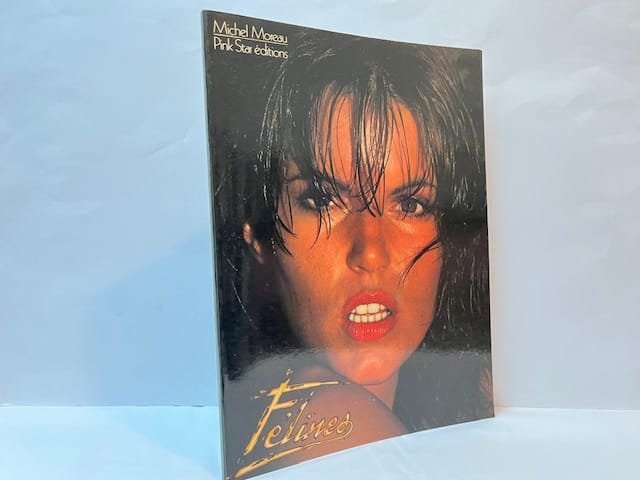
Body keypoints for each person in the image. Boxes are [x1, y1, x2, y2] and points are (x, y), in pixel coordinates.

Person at [213, 31, 492, 478]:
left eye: (411, 204)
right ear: (259, 238)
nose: (371, 252)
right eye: (323, 199)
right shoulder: (349, 433)